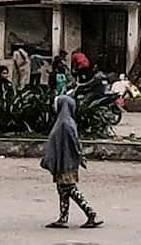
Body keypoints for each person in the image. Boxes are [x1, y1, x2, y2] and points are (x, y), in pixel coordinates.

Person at [40, 96, 102, 229]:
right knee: (63, 189)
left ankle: (90, 213)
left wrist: (78, 156)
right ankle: (63, 218)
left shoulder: (64, 124)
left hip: (65, 162)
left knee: (69, 188)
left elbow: (71, 143)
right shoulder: (66, 121)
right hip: (65, 161)